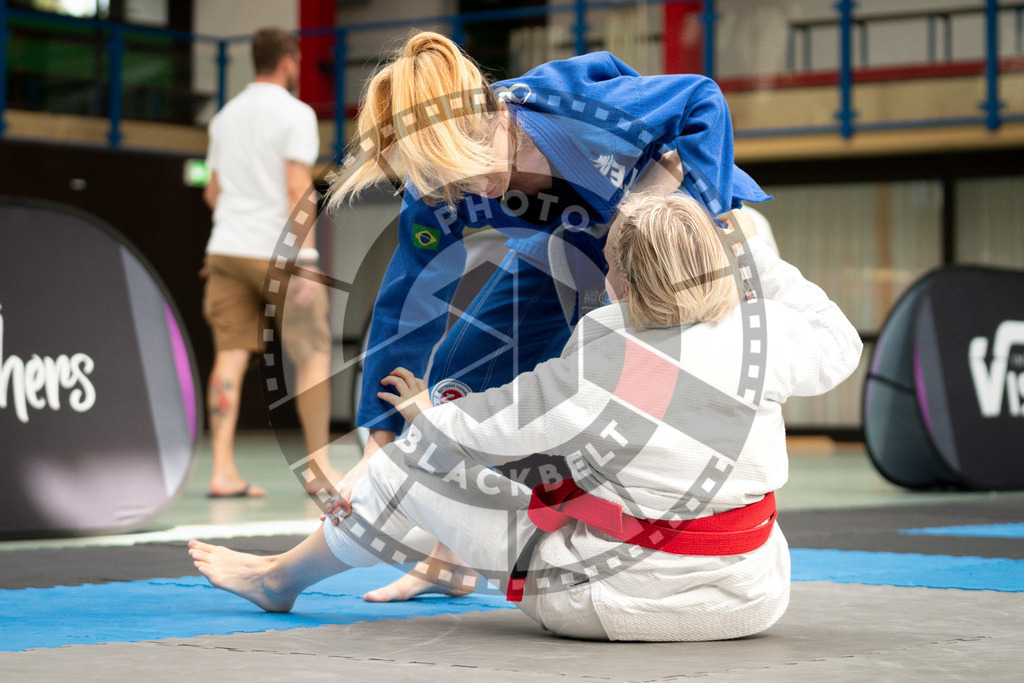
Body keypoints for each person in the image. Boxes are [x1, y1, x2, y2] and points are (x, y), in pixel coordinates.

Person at [189, 189, 862, 641]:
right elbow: (838, 335)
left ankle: (276, 579)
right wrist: (756, 256)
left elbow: (497, 432)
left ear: (622, 279)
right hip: (750, 597)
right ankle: (432, 565)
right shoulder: (761, 336)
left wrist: (428, 409)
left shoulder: (611, 346)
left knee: (404, 466)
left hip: (619, 600)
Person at [327, 31, 772, 601]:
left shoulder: (576, 113)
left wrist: (676, 210)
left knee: (634, 392)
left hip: (679, 239)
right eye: (446, 186)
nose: (465, 194)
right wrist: (379, 438)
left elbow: (702, 98)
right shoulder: (438, 175)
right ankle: (451, 558)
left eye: (467, 176)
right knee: (456, 382)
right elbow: (404, 303)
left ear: (492, 117)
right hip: (567, 244)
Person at [202, 27, 341, 497]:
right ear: (288, 61)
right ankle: (318, 470)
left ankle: (221, 471)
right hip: (279, 254)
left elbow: (212, 191)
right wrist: (306, 258)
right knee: (313, 351)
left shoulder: (223, 118)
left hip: (226, 250)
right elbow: (295, 188)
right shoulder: (295, 113)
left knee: (229, 356)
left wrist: (232, 229)